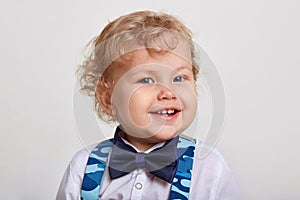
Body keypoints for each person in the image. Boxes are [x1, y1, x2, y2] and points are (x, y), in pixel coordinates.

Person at [56, 10, 240, 200]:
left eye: (179, 78)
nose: (168, 92)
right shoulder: (83, 166)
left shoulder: (210, 169)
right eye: (147, 80)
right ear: (107, 98)